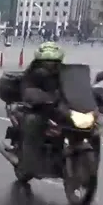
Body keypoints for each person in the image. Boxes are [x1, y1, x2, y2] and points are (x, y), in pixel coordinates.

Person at [17, 42, 67, 178]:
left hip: (58, 110)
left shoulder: (65, 72)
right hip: (37, 109)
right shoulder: (33, 73)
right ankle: (30, 164)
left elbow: (75, 87)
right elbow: (27, 89)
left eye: (54, 61)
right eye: (47, 61)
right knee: (33, 122)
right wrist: (39, 96)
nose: (50, 64)